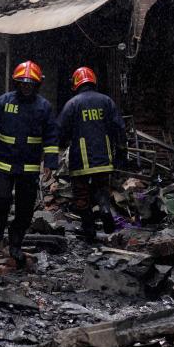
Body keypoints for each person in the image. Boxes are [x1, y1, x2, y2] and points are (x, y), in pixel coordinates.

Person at [0, 61, 59, 267]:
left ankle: (15, 245)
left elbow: (51, 137)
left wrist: (50, 163)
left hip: (28, 168)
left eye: (30, 83)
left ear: (37, 85)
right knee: (1, 199)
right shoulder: (5, 101)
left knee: (25, 210)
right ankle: (0, 225)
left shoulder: (44, 107)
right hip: (4, 163)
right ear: (16, 83)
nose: (26, 87)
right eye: (22, 83)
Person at [56, 66, 126, 242]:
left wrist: (59, 146)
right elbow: (119, 128)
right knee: (101, 189)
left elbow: (61, 131)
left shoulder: (72, 104)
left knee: (81, 194)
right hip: (104, 157)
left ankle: (89, 229)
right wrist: (121, 153)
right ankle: (104, 209)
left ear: (76, 84)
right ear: (93, 81)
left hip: (81, 159)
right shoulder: (107, 101)